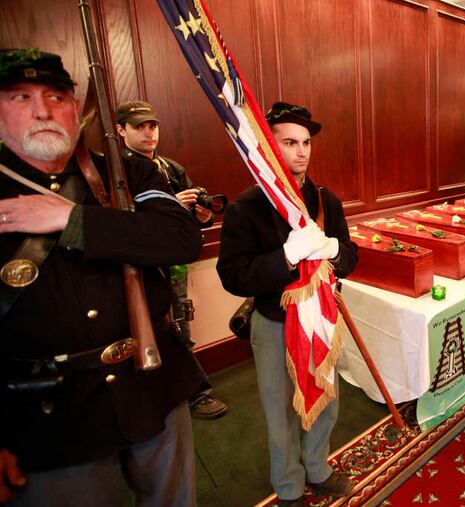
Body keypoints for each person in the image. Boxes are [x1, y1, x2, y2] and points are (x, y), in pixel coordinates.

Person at [0, 48, 205, 506]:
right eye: (19, 97)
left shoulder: (126, 169)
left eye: (56, 97)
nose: (41, 110)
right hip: (51, 417)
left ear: (76, 108)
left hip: (154, 386)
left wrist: (73, 221)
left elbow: (181, 238)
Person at [216, 102, 358, 507]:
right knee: (280, 413)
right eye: (290, 142)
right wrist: (286, 256)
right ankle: (290, 485)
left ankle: (318, 468)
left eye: (307, 142)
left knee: (326, 402)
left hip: (323, 317)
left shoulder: (326, 200)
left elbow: (350, 257)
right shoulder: (248, 206)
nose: (302, 152)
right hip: (275, 321)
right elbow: (234, 275)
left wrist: (334, 250)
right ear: (268, 147)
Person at [115, 99, 228, 420]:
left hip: (173, 262)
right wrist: (167, 205)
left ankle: (193, 393)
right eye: (140, 126)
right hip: (136, 267)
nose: (149, 133)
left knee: (179, 321)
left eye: (153, 125)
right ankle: (172, 394)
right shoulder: (116, 171)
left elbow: (193, 218)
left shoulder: (169, 167)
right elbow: (116, 222)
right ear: (121, 130)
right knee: (146, 326)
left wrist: (202, 215)